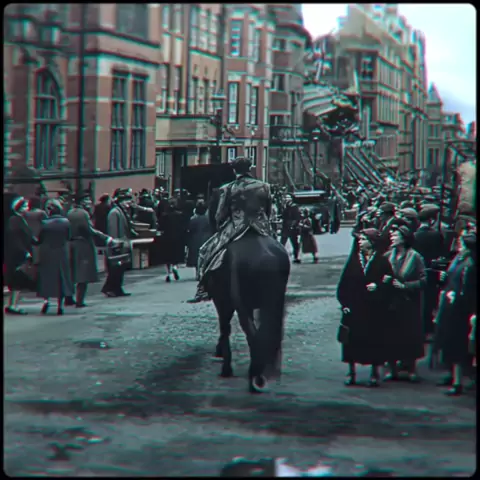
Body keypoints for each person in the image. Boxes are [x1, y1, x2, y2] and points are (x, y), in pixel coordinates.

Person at [188, 156, 272, 303]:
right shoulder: (265, 186)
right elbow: (268, 210)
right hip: (261, 228)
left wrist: (220, 226)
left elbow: (220, 214)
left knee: (205, 251)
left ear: (234, 170)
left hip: (236, 228)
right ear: (250, 168)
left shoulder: (227, 188)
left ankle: (202, 288)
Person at [337, 228, 395, 386]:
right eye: (360, 239)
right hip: (354, 306)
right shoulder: (354, 261)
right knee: (351, 341)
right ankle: (351, 372)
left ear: (372, 242)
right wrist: (344, 304)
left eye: (363, 239)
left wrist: (378, 286)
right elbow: (344, 284)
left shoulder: (382, 261)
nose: (360, 242)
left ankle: (374, 373)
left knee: (374, 340)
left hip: (373, 308)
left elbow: (389, 282)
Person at [434, 231, 477, 396]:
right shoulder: (459, 260)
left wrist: (457, 296)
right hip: (451, 306)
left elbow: (468, 290)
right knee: (449, 341)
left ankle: (458, 381)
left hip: (460, 309)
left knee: (458, 345)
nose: (458, 246)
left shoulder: (470, 264)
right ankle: (452, 375)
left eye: (461, 244)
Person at [383, 222, 427, 382]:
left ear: (404, 238)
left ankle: (411, 368)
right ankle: (392, 368)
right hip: (391, 302)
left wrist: (406, 286)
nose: (392, 237)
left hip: (409, 302)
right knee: (391, 335)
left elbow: (424, 280)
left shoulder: (415, 257)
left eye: (395, 235)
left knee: (409, 336)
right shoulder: (387, 256)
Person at [67, 192, 118, 307]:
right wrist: (106, 238)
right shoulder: (83, 213)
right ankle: (80, 300)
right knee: (82, 274)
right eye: (87, 200)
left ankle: (68, 297)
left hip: (71, 244)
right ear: (82, 202)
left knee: (72, 272)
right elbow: (90, 230)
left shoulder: (70, 213)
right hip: (83, 245)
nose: (90, 202)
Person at [37, 199, 74, 315]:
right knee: (61, 278)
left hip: (47, 252)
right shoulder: (66, 222)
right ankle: (60, 305)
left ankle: (46, 301)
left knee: (47, 278)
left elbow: (40, 239)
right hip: (61, 252)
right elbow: (69, 236)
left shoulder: (44, 223)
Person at [4, 197, 38, 315]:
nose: (27, 208)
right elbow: (15, 238)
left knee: (16, 282)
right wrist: (25, 251)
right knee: (17, 282)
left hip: (18, 253)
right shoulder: (15, 220)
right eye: (24, 206)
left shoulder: (19, 219)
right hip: (16, 255)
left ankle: (12, 304)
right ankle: (13, 305)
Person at [102, 189, 135, 297]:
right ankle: (110, 288)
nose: (129, 203)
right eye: (127, 201)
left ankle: (116, 288)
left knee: (119, 269)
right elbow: (113, 230)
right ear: (121, 201)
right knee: (115, 269)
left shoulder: (121, 211)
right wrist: (116, 244)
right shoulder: (115, 212)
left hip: (122, 244)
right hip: (117, 245)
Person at [162, 197, 187, 282]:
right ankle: (175, 267)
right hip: (177, 238)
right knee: (176, 255)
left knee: (167, 256)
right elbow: (183, 228)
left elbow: (161, 227)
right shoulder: (180, 215)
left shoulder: (164, 216)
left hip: (167, 238)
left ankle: (168, 274)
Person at [186, 200, 213, 280]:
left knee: (196, 257)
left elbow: (190, 230)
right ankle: (204, 272)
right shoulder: (208, 219)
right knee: (205, 257)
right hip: (207, 239)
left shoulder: (193, 219)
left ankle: (197, 272)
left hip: (195, 239)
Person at [23, 196, 47, 265]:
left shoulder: (25, 213)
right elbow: (46, 223)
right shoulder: (41, 213)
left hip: (28, 234)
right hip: (38, 234)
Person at [280, 194, 301, 263]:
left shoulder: (294, 206)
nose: (286, 199)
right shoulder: (285, 206)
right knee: (282, 242)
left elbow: (297, 217)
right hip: (285, 227)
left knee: (294, 243)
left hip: (292, 228)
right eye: (285, 197)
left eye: (287, 197)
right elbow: (284, 216)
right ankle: (279, 256)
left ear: (291, 199)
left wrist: (293, 225)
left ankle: (296, 257)